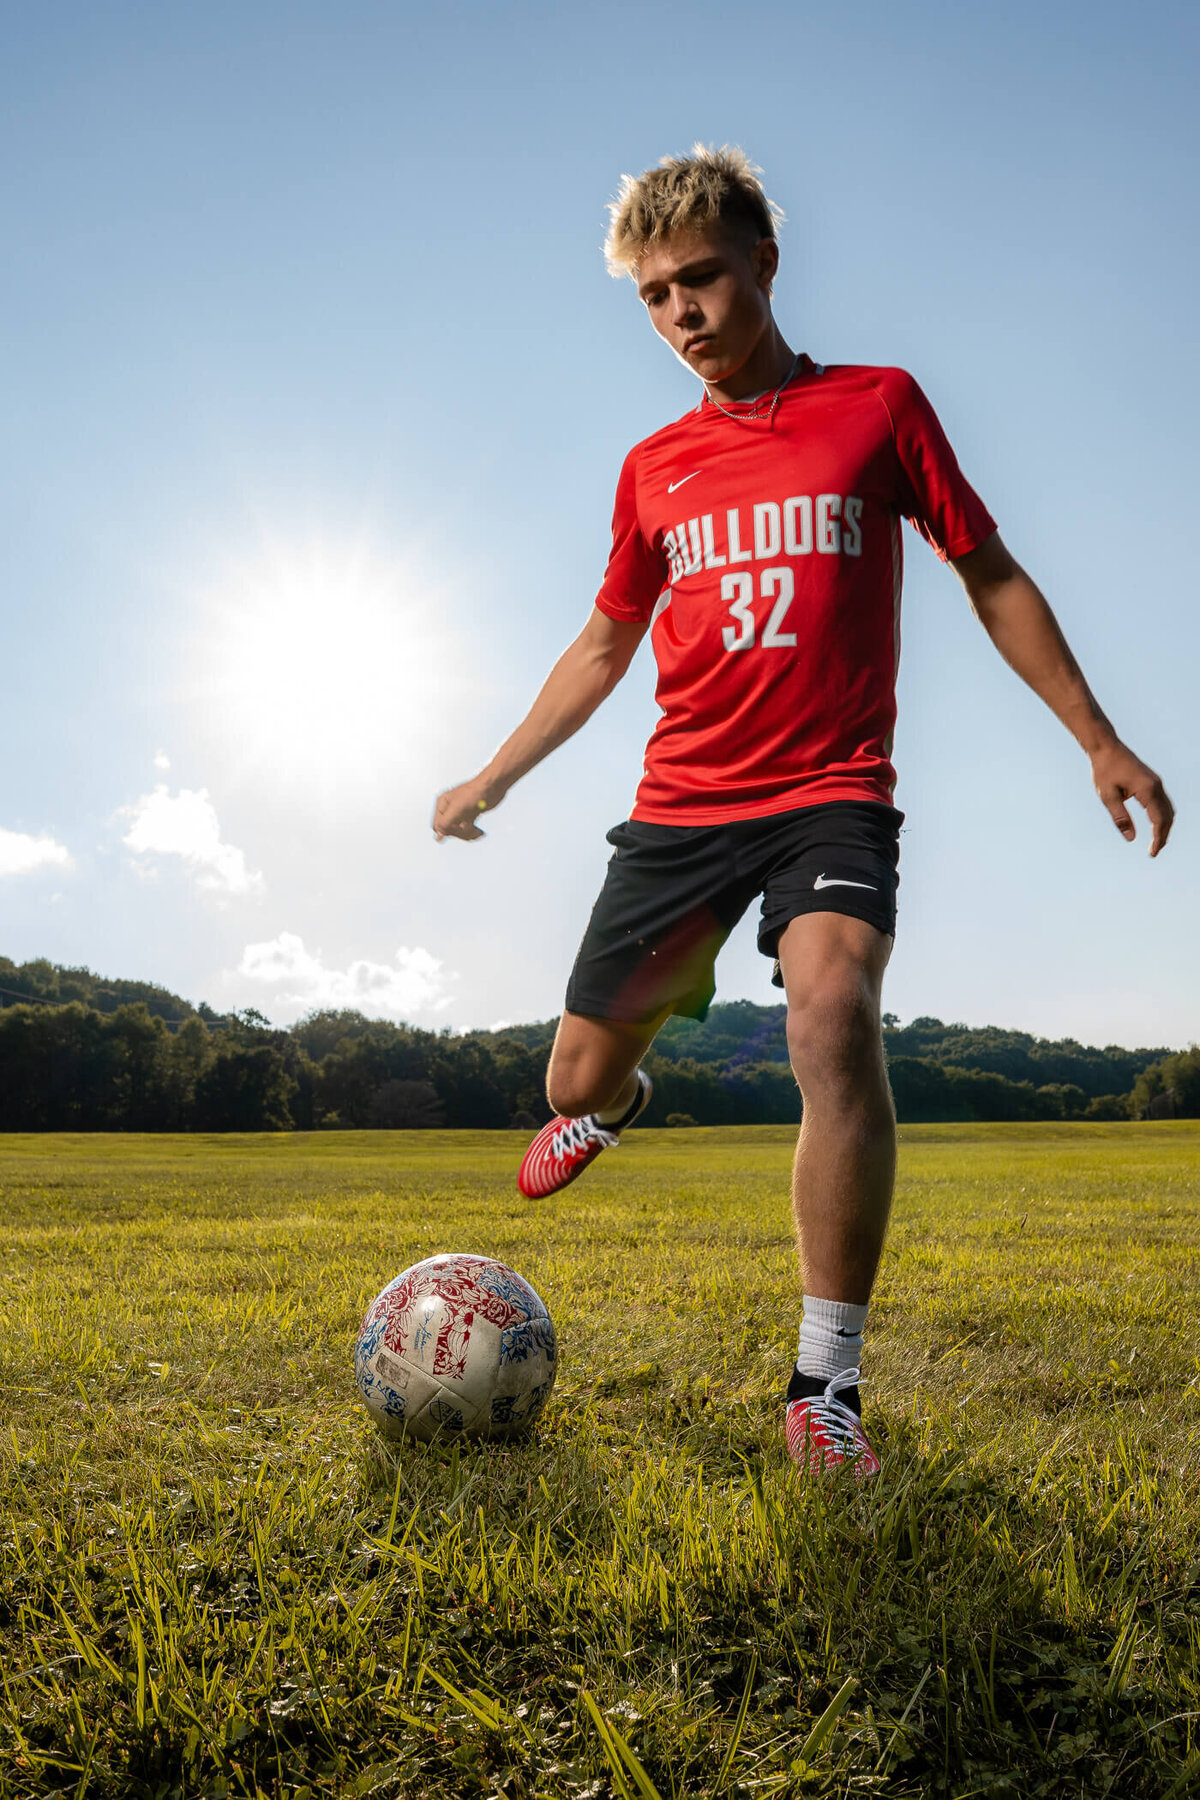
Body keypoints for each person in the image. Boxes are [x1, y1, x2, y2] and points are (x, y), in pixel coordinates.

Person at [432, 145, 1174, 1479]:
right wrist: (494, 774)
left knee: (832, 1017)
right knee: (569, 1081)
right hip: (682, 812)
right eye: (656, 296)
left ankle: (823, 1386)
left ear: (764, 262)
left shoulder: (879, 408)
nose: (684, 316)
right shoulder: (654, 467)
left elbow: (990, 577)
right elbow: (602, 647)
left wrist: (1099, 739)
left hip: (830, 795)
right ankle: (618, 1098)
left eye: (703, 279)